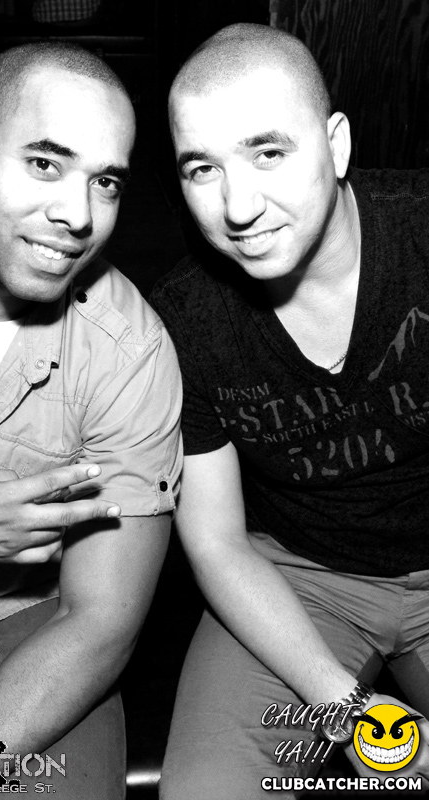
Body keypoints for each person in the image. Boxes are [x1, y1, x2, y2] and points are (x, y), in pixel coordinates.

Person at [151, 22, 429, 799]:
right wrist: (349, 709)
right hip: (298, 581)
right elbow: (215, 543)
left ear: (335, 144)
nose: (238, 206)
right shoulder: (184, 321)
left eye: (267, 153)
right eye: (202, 168)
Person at [0, 40, 181, 799]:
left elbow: (100, 624)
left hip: (18, 625)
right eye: (45, 163)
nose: (77, 215)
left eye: (105, 181)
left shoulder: (128, 352)